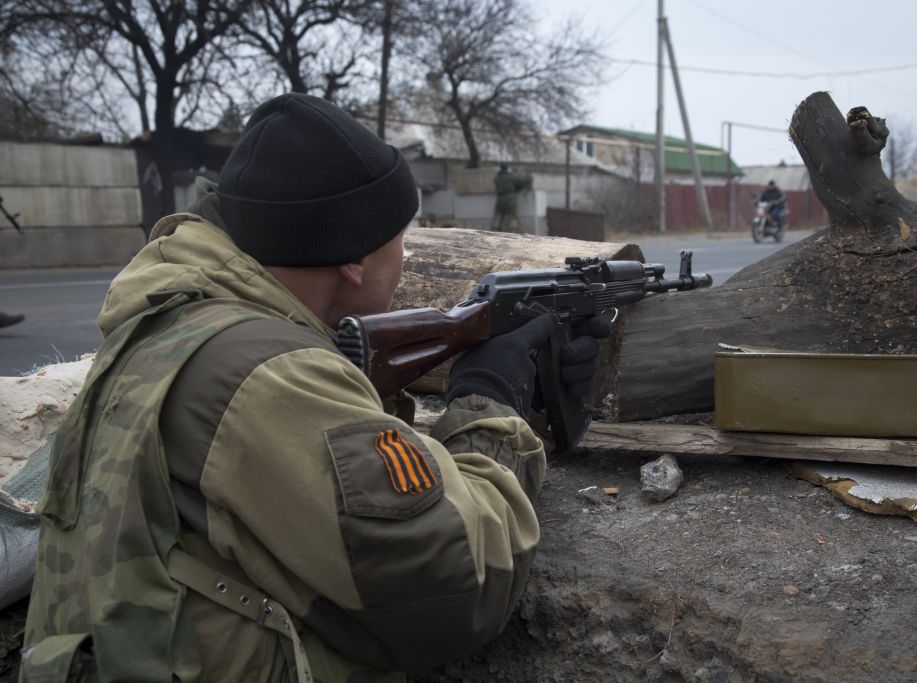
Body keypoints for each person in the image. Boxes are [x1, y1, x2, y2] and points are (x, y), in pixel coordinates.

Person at [22, 94, 605, 681]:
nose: (406, 254)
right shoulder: (268, 377)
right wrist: (491, 401)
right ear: (353, 259)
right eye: (403, 235)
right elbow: (460, 583)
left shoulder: (175, 321)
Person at [492, 163, 532, 233]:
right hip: (510, 199)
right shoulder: (511, 177)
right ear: (507, 169)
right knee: (512, 216)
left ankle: (495, 230)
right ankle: (513, 231)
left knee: (498, 216)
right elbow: (521, 180)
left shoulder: (497, 178)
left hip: (500, 199)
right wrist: (523, 173)